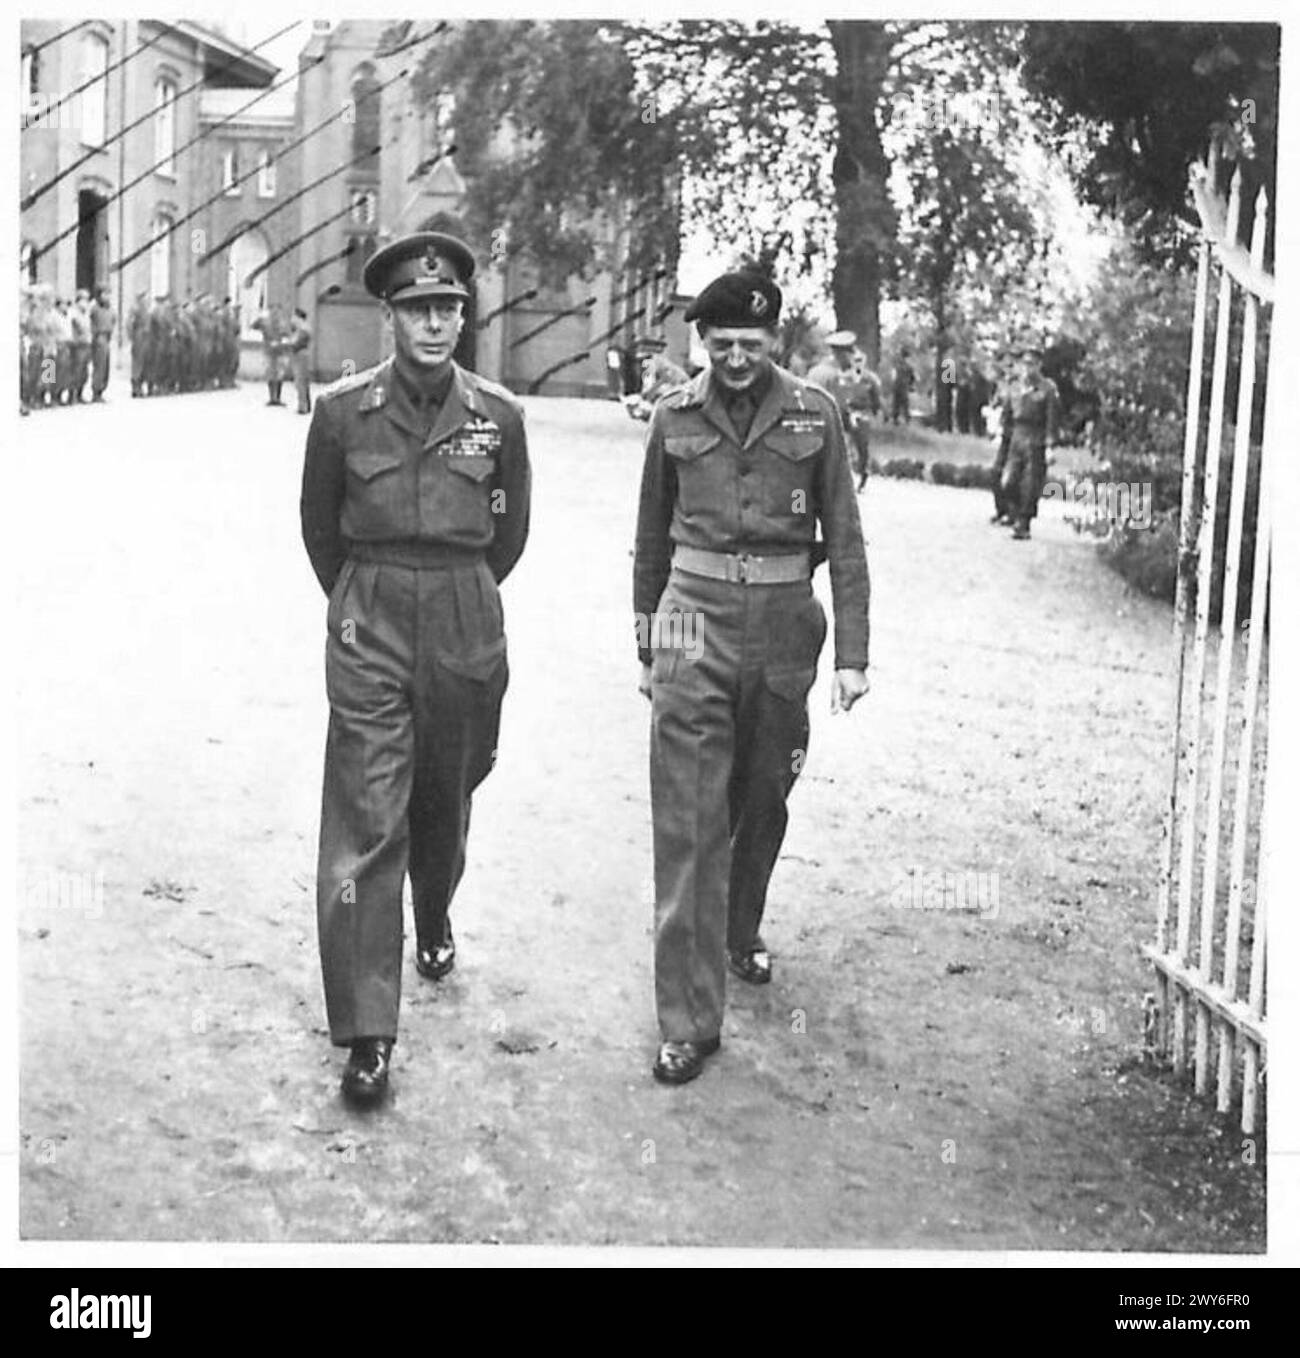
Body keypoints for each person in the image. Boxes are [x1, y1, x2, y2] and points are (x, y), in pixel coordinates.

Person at [300, 231, 532, 1108]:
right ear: (390, 316)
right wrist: (365, 598)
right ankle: (369, 1032)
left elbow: (507, 533)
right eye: (418, 309)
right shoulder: (340, 412)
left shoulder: (499, 417)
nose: (435, 323)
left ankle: (433, 906)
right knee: (367, 817)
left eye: (449, 309)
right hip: (373, 620)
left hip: (466, 615)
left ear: (464, 317)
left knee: (448, 792)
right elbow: (321, 527)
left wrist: (456, 594)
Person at [633, 269, 872, 1086]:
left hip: (780, 626)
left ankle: (741, 927)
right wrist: (648, 648)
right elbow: (651, 542)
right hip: (690, 620)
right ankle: (688, 1020)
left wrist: (852, 657)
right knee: (688, 820)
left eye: (752, 345)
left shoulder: (816, 412)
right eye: (722, 344)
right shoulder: (673, 417)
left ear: (776, 342)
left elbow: (843, 535)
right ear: (702, 344)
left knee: (764, 792)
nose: (737, 359)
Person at [1000, 348, 1061, 540]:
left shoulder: (1048, 389)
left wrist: (1050, 447)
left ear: (1039, 366)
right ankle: (1016, 512)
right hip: (1016, 437)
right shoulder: (1015, 387)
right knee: (1007, 482)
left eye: (1031, 364)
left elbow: (1052, 419)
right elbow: (1007, 414)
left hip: (1036, 438)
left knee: (1030, 484)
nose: (1027, 368)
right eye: (1025, 363)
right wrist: (1001, 435)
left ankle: (1023, 523)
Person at [807, 330, 880, 491]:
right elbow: (839, 402)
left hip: (814, 416)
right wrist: (850, 418)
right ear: (843, 353)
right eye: (850, 354)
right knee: (841, 450)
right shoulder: (834, 375)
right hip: (834, 417)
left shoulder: (816, 370)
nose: (853, 359)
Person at [253, 305, 288, 405]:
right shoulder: (264, 322)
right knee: (270, 374)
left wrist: (281, 343)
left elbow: (286, 335)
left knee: (279, 375)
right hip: (268, 351)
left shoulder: (282, 323)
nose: (275, 313)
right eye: (273, 311)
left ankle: (278, 397)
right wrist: (260, 317)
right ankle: (272, 398)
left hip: (280, 352)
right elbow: (254, 326)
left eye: (277, 311)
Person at [90, 288, 115, 402]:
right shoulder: (95, 309)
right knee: (99, 366)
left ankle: (101, 389)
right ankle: (96, 391)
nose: (107, 297)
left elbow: (113, 321)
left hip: (107, 338)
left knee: (105, 367)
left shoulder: (110, 309)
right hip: (99, 337)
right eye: (105, 294)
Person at [289, 307, 313, 414]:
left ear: (298, 318)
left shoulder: (303, 330)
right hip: (301, 355)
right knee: (302, 381)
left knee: (300, 381)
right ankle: (305, 405)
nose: (292, 319)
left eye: (293, 316)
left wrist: (288, 343)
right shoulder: (302, 329)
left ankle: (302, 406)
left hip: (300, 355)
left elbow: (296, 344)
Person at [889, 350, 914, 424]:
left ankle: (895, 419)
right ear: (907, 357)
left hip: (897, 385)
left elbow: (893, 376)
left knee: (896, 403)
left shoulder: (897, 365)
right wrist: (910, 385)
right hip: (904, 386)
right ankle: (907, 420)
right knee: (905, 404)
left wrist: (893, 384)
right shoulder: (909, 367)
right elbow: (912, 378)